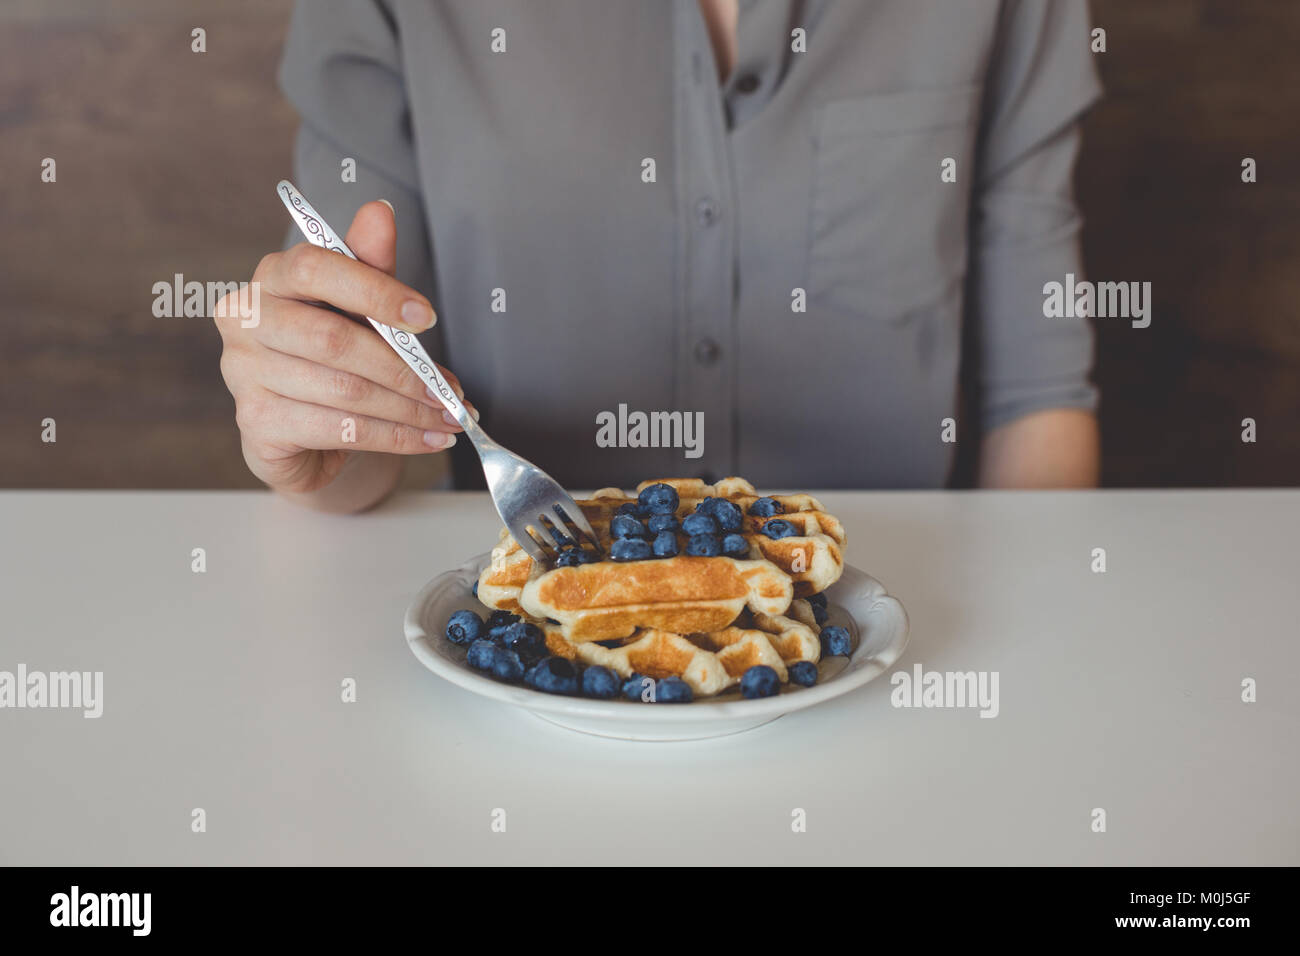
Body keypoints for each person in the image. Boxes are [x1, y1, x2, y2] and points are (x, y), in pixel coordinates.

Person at [215, 0, 1102, 513]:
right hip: (529, 663)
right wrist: (312, 416)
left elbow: (1040, 404)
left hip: (898, 651)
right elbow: (364, 424)